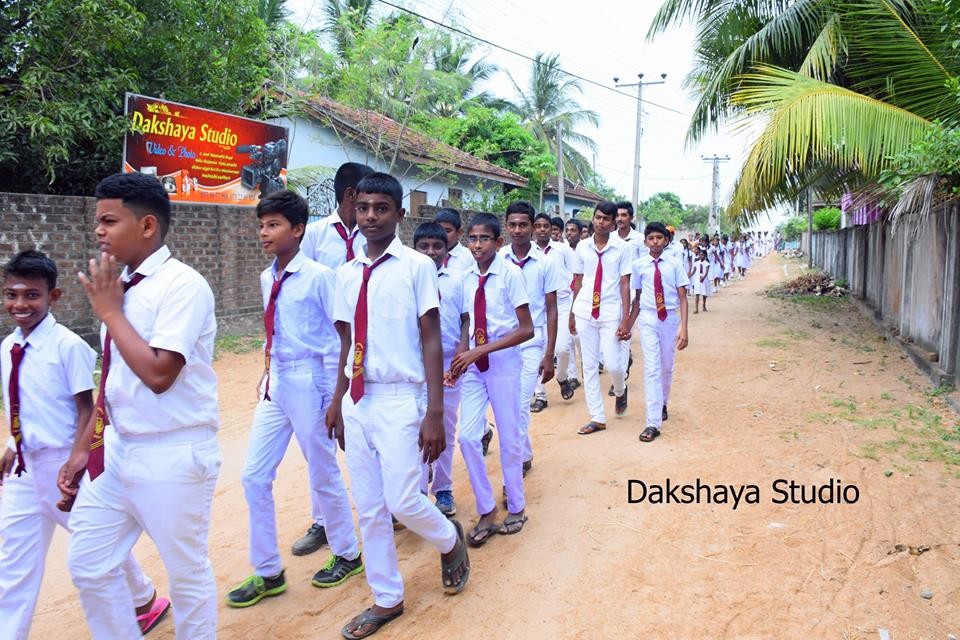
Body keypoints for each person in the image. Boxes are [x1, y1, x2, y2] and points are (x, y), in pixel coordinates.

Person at [60, 172, 220, 639]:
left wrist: (110, 312)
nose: (98, 230)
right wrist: (83, 448)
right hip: (118, 450)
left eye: (110, 221)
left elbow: (158, 375)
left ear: (147, 226)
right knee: (89, 563)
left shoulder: (182, 285)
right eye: (98, 221)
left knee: (186, 574)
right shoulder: (123, 285)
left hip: (173, 451)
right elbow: (113, 379)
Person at [327, 173, 469, 639]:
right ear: (354, 210)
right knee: (369, 507)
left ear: (399, 214)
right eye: (364, 208)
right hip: (358, 398)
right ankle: (387, 597)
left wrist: (434, 412)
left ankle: (448, 539)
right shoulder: (346, 274)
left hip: (399, 398)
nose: (371, 216)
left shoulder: (416, 267)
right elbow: (346, 342)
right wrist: (338, 400)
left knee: (403, 499)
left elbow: (431, 339)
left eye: (381, 208)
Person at [0, 250, 169, 639]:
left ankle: (142, 597)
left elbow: (86, 408)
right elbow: (19, 401)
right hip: (25, 469)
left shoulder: (68, 346)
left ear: (53, 296)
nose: (20, 304)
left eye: (32, 295)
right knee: (13, 562)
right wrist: (12, 443)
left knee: (95, 542)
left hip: (64, 464)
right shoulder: (8, 347)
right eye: (12, 294)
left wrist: (78, 461)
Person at [226, 191, 362, 609]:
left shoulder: (320, 277)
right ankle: (268, 570)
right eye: (262, 225)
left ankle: (348, 553)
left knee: (321, 468)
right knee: (253, 476)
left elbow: (342, 337)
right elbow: (276, 330)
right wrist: (268, 371)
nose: (264, 233)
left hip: (312, 379)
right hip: (278, 381)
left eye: (274, 225)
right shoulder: (267, 277)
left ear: (298, 229)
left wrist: (336, 396)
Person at [293, 161, 375, 556]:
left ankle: (389, 502)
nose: (372, 209)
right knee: (320, 439)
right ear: (351, 196)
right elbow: (299, 287)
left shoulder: (375, 236)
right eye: (365, 199)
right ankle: (324, 521)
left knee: (367, 427)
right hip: (323, 351)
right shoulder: (313, 236)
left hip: (364, 347)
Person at [450, 213, 534, 546]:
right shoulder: (466, 276)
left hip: (503, 362)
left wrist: (480, 350)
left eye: (484, 239)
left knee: (510, 438)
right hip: (474, 365)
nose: (477, 245)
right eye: (472, 239)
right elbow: (467, 321)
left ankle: (517, 505)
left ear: (499, 242)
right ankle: (486, 507)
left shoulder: (511, 275)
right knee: (468, 437)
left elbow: (526, 329)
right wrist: (462, 354)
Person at [412, 222, 469, 517]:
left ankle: (443, 489)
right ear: (414, 250)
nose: (431, 252)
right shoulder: (406, 280)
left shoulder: (458, 280)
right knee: (417, 428)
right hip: (415, 365)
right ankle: (418, 491)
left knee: (445, 426)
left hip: (448, 365)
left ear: (447, 251)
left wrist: (463, 347)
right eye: (424, 246)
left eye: (438, 246)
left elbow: (466, 318)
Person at [502, 206, 561, 475]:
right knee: (508, 405)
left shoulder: (546, 263)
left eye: (523, 225)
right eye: (512, 224)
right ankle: (523, 453)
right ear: (506, 226)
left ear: (533, 227)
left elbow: (551, 308)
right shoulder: (498, 259)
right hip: (502, 342)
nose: (517, 230)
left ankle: (515, 465)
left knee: (520, 402)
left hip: (532, 342)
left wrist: (549, 354)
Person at [570, 202, 633, 435]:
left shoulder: (622, 248)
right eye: (598, 217)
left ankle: (620, 390)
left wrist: (625, 319)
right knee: (589, 365)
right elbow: (578, 281)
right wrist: (572, 313)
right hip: (584, 310)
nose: (601, 222)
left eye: (606, 219)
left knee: (614, 364)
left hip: (609, 311)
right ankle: (597, 417)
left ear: (613, 222)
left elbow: (625, 284)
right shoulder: (582, 247)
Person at [627, 222, 690, 443]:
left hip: (669, 318)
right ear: (645, 242)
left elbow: (683, 297)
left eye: (659, 238)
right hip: (648, 318)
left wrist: (684, 328)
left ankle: (663, 402)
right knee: (652, 368)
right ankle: (652, 422)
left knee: (666, 367)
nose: (655, 242)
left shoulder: (674, 264)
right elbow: (637, 298)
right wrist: (628, 325)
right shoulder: (639, 265)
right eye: (651, 238)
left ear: (666, 240)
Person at [434, 207, 474, 273]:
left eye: (447, 231)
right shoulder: (430, 255)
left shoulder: (470, 258)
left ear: (459, 232)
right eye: (438, 230)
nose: (441, 235)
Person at [693, 248, 712, 313]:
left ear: (705, 255)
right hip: (697, 279)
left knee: (704, 293)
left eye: (702, 255)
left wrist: (703, 278)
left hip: (704, 279)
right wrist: (689, 276)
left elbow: (706, 272)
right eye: (700, 255)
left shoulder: (707, 263)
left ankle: (704, 305)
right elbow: (694, 271)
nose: (701, 256)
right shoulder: (696, 263)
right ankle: (696, 309)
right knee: (697, 293)